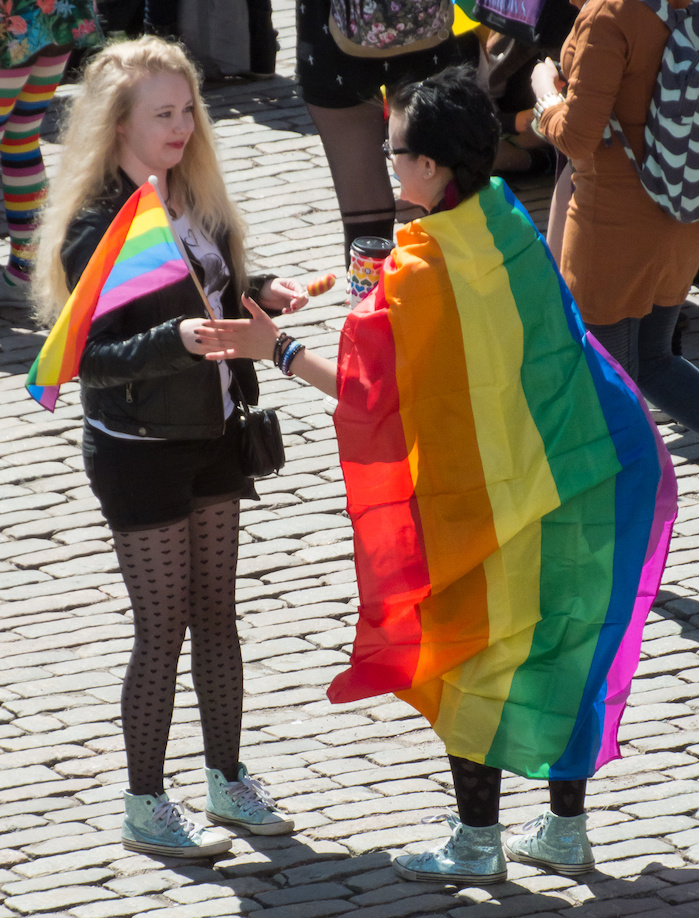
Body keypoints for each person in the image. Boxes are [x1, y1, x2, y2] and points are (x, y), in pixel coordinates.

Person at [194, 65, 675, 884]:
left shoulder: (424, 272)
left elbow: (363, 386)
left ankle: (475, 840)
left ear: (434, 167)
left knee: (463, 646)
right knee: (566, 649)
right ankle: (563, 832)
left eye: (396, 151)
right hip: (603, 461)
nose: (388, 164)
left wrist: (266, 346)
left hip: (529, 485)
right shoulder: (500, 218)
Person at [32, 36, 308, 859]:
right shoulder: (99, 227)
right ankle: (145, 801)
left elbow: (213, 285)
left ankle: (227, 778)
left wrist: (257, 291)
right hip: (138, 447)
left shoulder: (194, 196)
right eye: (164, 114)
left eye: (188, 109)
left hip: (216, 434)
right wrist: (176, 341)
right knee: (163, 628)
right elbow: (86, 360)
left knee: (218, 616)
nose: (183, 126)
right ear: (118, 124)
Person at [530, 0, 699, 431]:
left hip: (611, 230)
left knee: (605, 389)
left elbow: (577, 136)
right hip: (679, 217)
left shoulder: (610, 16)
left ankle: (632, 494)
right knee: (654, 363)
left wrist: (545, 95)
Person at [296, 0, 478, 266]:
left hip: (334, 27)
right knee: (439, 181)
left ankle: (371, 303)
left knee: (363, 199)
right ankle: (451, 298)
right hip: (422, 23)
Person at [0, 0, 101, 306]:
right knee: (21, 136)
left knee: (21, 137)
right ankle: (25, 272)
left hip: (12, 20)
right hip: (57, 14)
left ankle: (27, 271)